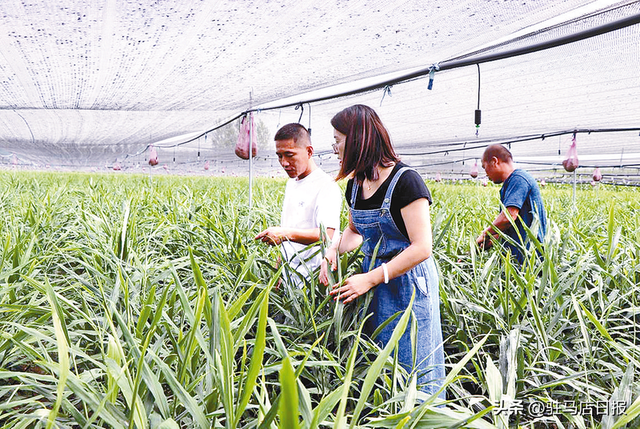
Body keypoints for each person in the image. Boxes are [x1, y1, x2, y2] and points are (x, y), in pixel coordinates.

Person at [319, 104, 445, 395]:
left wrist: (371, 277)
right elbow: (355, 231)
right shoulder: (356, 184)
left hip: (409, 283)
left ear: (357, 139)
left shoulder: (406, 181)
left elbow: (422, 247)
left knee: (414, 365)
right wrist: (332, 250)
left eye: (337, 139)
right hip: (374, 282)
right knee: (381, 364)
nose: (335, 147)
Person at [255, 123, 342, 287]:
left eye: (289, 155)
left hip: (313, 282)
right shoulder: (292, 183)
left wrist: (283, 234)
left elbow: (326, 236)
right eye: (279, 156)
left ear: (309, 151)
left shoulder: (326, 186)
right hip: (290, 279)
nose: (284, 163)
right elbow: (290, 226)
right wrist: (279, 268)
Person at [475, 144, 547, 264]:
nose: (486, 173)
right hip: (518, 256)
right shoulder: (510, 183)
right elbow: (513, 225)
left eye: (484, 167)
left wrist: (485, 234)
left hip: (529, 258)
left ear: (494, 161)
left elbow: (508, 218)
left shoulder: (519, 178)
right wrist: (492, 239)